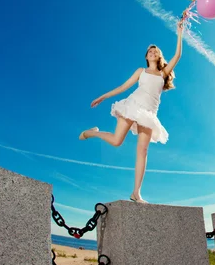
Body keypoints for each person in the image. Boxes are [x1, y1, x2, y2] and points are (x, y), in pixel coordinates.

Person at [79, 21, 184, 203]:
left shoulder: (163, 73)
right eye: (150, 51)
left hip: (149, 114)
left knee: (142, 151)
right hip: (133, 106)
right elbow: (123, 87)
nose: (153, 52)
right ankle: (92, 133)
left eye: (155, 51)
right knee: (117, 141)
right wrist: (104, 96)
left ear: (159, 56)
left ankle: (136, 193)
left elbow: (178, 55)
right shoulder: (141, 71)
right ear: (146, 56)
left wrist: (179, 33)